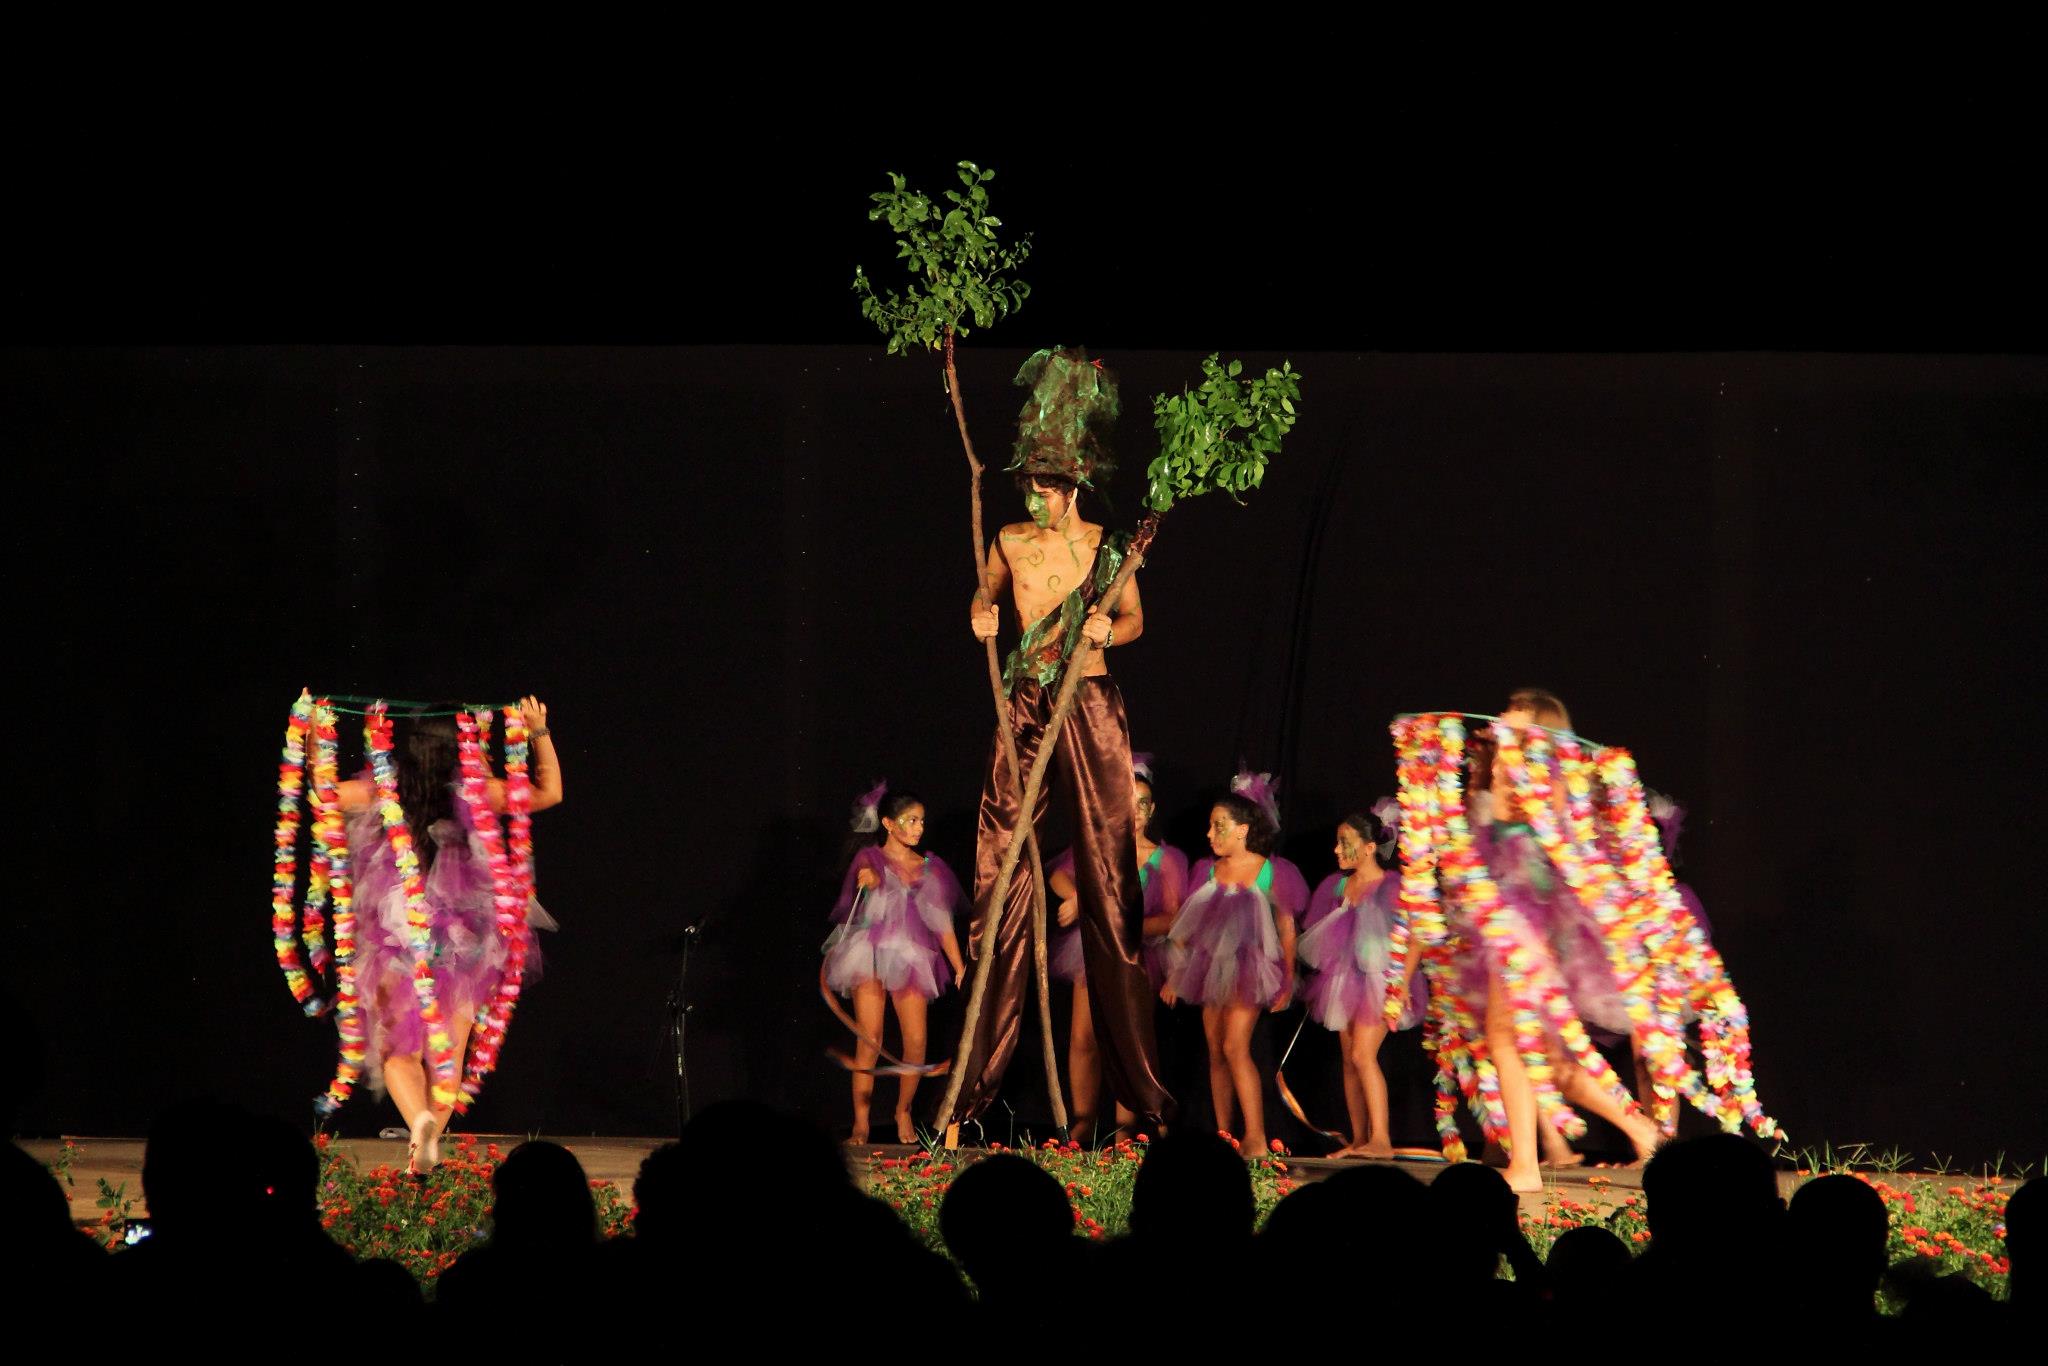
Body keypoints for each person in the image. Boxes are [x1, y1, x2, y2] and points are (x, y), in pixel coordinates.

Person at [956, 348, 1171, 1132]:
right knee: (1003, 855)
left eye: (1046, 489)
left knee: (1108, 870)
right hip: (1025, 700)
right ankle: (969, 1091)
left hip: (1091, 698)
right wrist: (981, 613)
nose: (1036, 500)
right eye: (1030, 489)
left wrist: (1112, 628)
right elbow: (985, 593)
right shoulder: (1011, 540)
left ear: (1073, 486)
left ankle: (1138, 1101)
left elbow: (1136, 619)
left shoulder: (1107, 547)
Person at [335, 696, 561, 1174]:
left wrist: (315, 741)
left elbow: (323, 796)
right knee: (449, 1052)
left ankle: (418, 1121)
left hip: (401, 931)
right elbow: (549, 793)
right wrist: (538, 730)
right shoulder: (480, 793)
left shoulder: (386, 789)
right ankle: (426, 1145)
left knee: (398, 1051)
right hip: (464, 935)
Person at [1044, 754, 1188, 1142]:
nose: (1136, 812)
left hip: (1136, 956)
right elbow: (1059, 875)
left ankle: (1126, 1126)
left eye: (1143, 804)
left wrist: (1119, 925)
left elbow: (1173, 918)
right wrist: (1078, 898)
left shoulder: (1165, 860)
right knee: (1083, 1037)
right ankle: (1084, 1118)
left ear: (1152, 810)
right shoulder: (1099, 849)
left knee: (1127, 1040)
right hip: (1092, 953)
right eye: (1129, 802)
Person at [1164, 773, 1308, 1155]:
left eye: (1219, 826)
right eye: (1210, 826)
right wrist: (1175, 976)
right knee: (1215, 1049)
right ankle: (1225, 1135)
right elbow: (1192, 928)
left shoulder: (1269, 870)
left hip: (1250, 970)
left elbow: (1286, 929)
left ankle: (1255, 1135)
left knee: (1234, 1046)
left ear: (1243, 830)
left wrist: (1287, 978)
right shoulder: (1208, 870)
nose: (1210, 834)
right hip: (1210, 969)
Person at [822, 783, 966, 1143]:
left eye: (922, 821)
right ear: (888, 823)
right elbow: (865, 878)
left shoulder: (930, 867)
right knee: (870, 1039)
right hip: (871, 954)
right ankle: (861, 1122)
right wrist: (869, 880)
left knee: (915, 1041)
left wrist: (959, 966)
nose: (919, 828)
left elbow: (942, 924)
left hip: (912, 956)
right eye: (911, 820)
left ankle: (903, 1111)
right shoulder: (870, 857)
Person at [1297, 801, 1420, 1157]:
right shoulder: (1338, 887)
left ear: (1369, 847)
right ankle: (1359, 1139)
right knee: (1350, 1060)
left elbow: (1417, 936)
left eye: (1345, 842)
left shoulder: (1391, 886)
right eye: (1337, 842)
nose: (1336, 850)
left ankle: (1381, 1139)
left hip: (1380, 981)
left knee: (1363, 1055)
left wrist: (1402, 984)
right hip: (1344, 981)